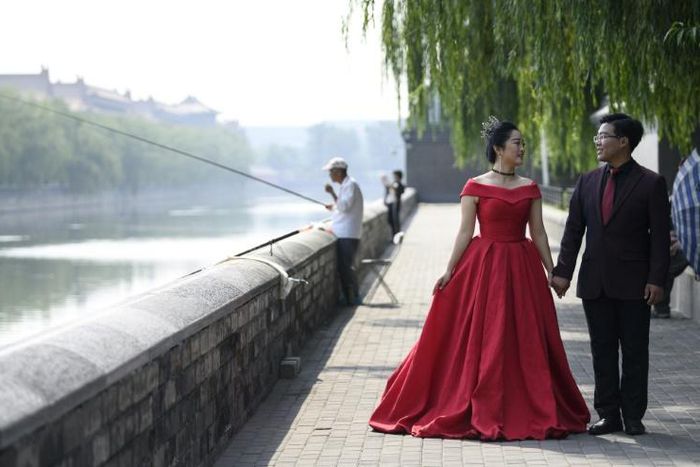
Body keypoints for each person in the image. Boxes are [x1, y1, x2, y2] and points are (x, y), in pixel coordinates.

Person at [369, 117, 589, 440]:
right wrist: (449, 271)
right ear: (499, 149)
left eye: (523, 143)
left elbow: (539, 232)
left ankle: (524, 401)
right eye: (517, 143)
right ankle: (477, 400)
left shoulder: (529, 187)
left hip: (521, 267)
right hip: (483, 267)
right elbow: (464, 233)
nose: (522, 148)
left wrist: (552, 271)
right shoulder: (474, 186)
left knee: (523, 337)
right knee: (482, 336)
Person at [551, 113, 670, 436]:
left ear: (623, 142)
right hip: (595, 282)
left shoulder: (651, 183)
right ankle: (608, 414)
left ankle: (633, 416)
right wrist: (563, 273)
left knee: (634, 351)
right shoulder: (588, 181)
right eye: (597, 137)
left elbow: (660, 237)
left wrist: (658, 279)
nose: (597, 142)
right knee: (602, 351)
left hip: (635, 284)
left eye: (603, 137)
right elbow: (574, 230)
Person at [323, 156, 364, 306]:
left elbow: (345, 207)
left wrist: (332, 193)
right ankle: (349, 296)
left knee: (346, 267)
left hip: (348, 233)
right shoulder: (347, 185)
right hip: (345, 232)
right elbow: (343, 207)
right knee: (344, 266)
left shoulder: (350, 185)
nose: (329, 175)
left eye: (331, 172)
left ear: (339, 172)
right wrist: (333, 205)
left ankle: (354, 296)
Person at [382, 170, 405, 236]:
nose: (393, 177)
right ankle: (395, 235)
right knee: (391, 220)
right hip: (391, 204)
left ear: (397, 176)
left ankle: (396, 235)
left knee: (395, 221)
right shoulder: (395, 183)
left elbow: (398, 191)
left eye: (394, 175)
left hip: (395, 204)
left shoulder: (399, 184)